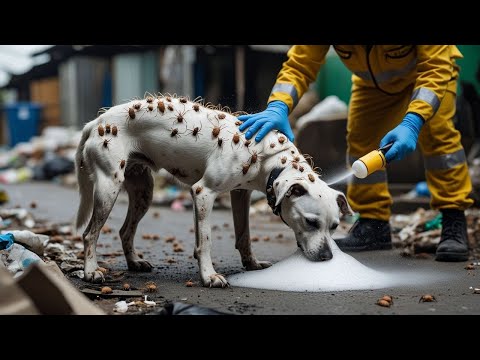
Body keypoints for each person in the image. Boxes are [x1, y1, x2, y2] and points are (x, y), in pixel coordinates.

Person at [238, 45, 473, 262]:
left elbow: (436, 65)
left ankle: (454, 218)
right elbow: (301, 63)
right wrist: (278, 105)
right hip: (373, 86)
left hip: (427, 79)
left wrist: (413, 122)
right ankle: (374, 224)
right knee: (362, 141)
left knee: (440, 141)